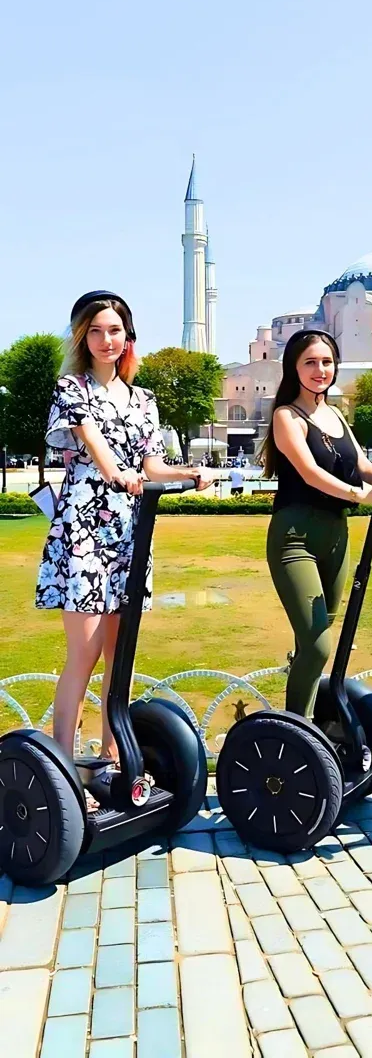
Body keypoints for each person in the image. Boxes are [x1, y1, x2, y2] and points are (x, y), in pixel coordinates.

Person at [35, 290, 212, 807]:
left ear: (127, 337)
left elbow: (151, 464)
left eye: (114, 330)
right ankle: (61, 772)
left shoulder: (144, 400)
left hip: (129, 533)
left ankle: (115, 763)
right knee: (84, 653)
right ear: (82, 338)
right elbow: (99, 452)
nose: (106, 340)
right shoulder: (73, 388)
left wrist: (188, 473)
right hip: (85, 529)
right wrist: (121, 476)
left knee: (121, 654)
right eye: (95, 331)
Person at [260, 330, 372, 719]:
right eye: (310, 362)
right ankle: (296, 731)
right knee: (317, 645)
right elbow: (311, 472)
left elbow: (363, 466)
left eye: (326, 362)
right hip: (295, 537)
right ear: (294, 368)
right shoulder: (288, 416)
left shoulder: (335, 414)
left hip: (336, 536)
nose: (320, 370)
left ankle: (315, 725)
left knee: (319, 637)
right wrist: (359, 495)